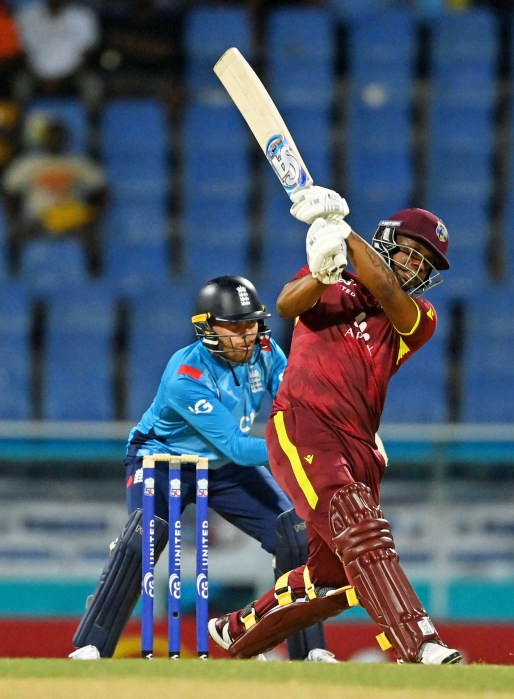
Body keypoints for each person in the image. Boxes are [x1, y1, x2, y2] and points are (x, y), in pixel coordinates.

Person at [208, 187, 462, 665]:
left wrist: (342, 230)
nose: (414, 269)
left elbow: (386, 289)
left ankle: (234, 633)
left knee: (334, 578)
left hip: (359, 446)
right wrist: (324, 274)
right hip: (304, 423)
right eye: (410, 253)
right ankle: (419, 642)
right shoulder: (333, 282)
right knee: (361, 526)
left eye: (423, 265)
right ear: (387, 242)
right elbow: (286, 305)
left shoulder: (418, 317)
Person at [69, 275, 333, 662]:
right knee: (142, 538)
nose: (247, 335)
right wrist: (310, 448)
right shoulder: (185, 376)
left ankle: (308, 651)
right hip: (161, 459)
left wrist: (329, 431)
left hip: (222, 468)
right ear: (208, 328)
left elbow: (295, 409)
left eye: (252, 323)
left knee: (294, 533)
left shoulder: (268, 352)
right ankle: (92, 645)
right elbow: (240, 449)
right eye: (236, 326)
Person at [2, 113, 107, 275]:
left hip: (70, 220)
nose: (56, 141)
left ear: (67, 140)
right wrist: (14, 217)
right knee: (15, 234)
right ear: (44, 140)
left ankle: (95, 279)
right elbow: (9, 190)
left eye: (60, 137)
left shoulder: (78, 163)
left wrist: (93, 215)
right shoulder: (28, 163)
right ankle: (15, 275)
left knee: (92, 237)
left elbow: (101, 190)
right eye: (52, 137)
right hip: (38, 219)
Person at [13, 0, 102, 110]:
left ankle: (93, 125)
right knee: (21, 86)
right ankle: (18, 125)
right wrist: (41, 76)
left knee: (93, 86)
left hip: (73, 74)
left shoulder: (83, 15)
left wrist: (66, 77)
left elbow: (89, 52)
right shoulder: (27, 16)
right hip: (36, 74)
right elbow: (23, 52)